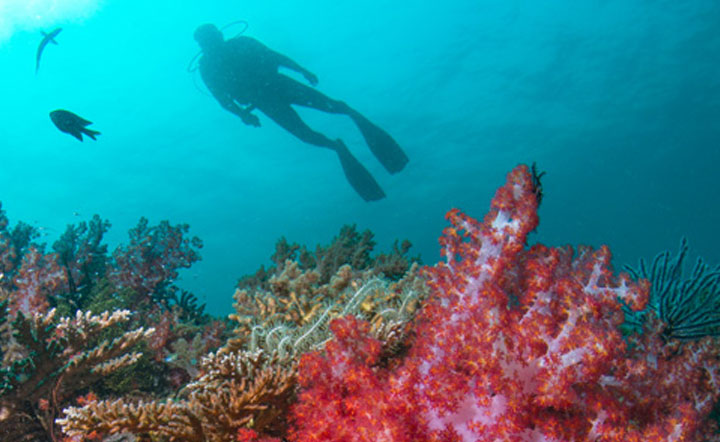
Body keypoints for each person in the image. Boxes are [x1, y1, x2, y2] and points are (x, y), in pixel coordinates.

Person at [193, 23, 408, 201]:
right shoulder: (211, 65)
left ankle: (342, 144)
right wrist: (244, 115)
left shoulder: (240, 45)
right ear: (205, 43)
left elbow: (274, 57)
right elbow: (223, 99)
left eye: (212, 37)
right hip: (267, 98)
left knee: (334, 109)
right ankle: (338, 147)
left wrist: (303, 71)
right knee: (308, 132)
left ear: (218, 35)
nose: (212, 41)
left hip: (277, 87)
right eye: (208, 39)